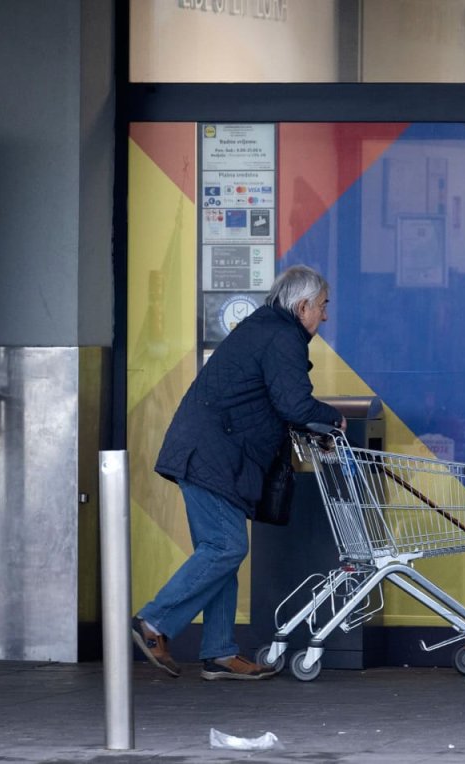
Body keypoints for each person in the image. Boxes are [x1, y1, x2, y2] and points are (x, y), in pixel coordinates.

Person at [131, 265, 345, 680]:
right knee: (225, 547)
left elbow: (274, 400)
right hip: (214, 456)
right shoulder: (282, 336)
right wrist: (333, 420)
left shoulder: (266, 328)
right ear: (302, 305)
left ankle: (219, 651)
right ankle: (154, 621)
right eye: (322, 306)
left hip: (213, 453)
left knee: (220, 553)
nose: (325, 315)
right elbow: (294, 404)